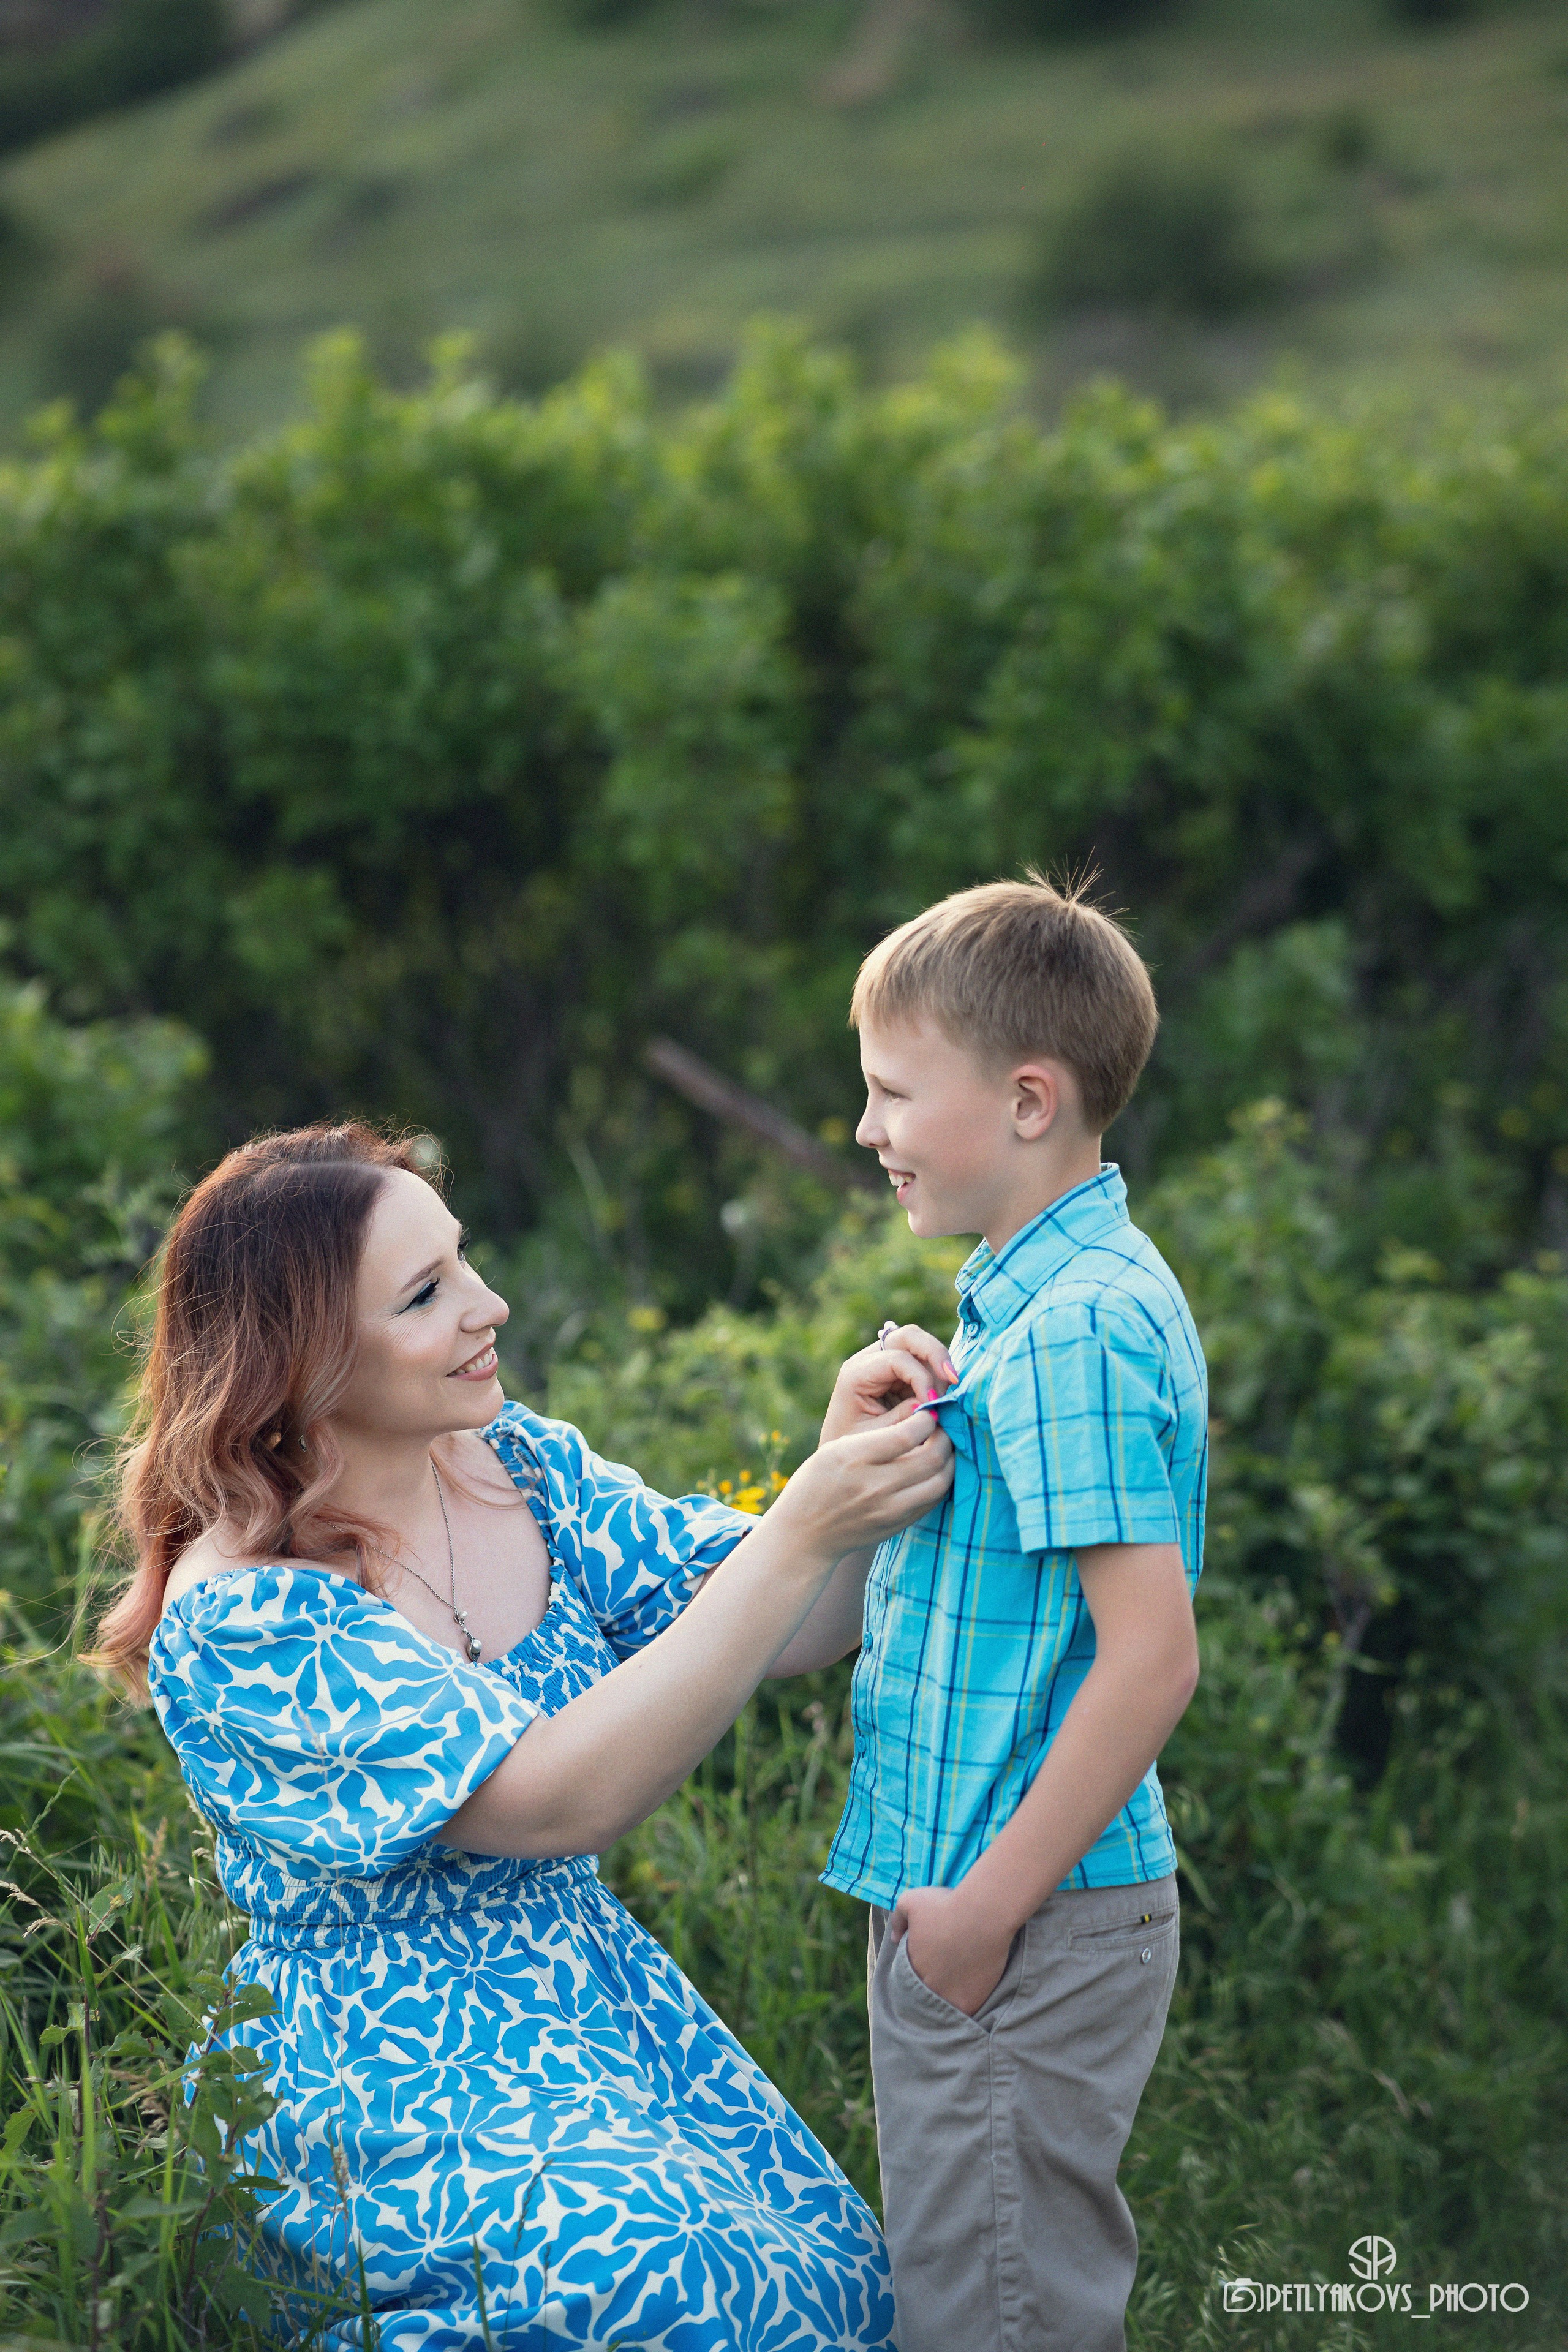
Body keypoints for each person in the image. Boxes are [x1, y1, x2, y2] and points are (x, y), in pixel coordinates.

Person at [92, 1121, 954, 2352]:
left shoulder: (514, 1462)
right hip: (385, 2080)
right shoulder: (246, 1617)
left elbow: (787, 1622)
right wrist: (802, 1529)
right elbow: (553, 1801)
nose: (486, 1304)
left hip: (591, 2004)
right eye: (426, 1294)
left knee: (839, 2285)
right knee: (669, 2284)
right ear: (303, 1357)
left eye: (462, 1260)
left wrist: (852, 1477)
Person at [815, 875, 1207, 2352]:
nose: (867, 1129)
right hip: (1001, 1913)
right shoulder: (1035, 1301)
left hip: (1018, 1918)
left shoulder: (1073, 1331)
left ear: (1028, 1101)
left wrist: (977, 1918)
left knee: (990, 2318)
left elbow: (1148, 1661)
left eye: (892, 1092)